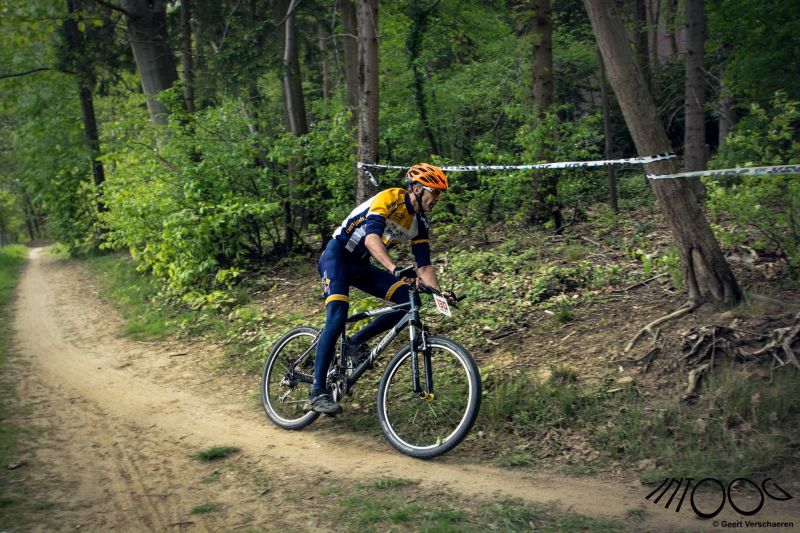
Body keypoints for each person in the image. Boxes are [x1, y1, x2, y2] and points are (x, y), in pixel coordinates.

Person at [306, 163, 455, 415]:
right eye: (435, 192)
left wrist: (439, 292)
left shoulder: (419, 223)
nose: (437, 199)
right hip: (337, 258)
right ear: (417, 189)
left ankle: (354, 342)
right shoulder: (390, 198)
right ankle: (317, 391)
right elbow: (370, 238)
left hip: (361, 265)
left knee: (408, 302)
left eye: (440, 194)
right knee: (338, 316)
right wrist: (393, 268)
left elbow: (424, 265)